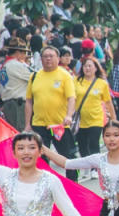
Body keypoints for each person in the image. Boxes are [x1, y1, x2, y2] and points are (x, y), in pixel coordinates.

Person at [24, 45, 79, 180]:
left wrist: (69, 116)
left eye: (51, 56)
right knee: (40, 158)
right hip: (39, 124)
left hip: (59, 126)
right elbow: (29, 101)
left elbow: (71, 98)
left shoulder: (65, 76)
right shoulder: (35, 76)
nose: (48, 59)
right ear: (41, 59)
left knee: (68, 158)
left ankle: (74, 185)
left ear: (58, 58)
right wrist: (27, 124)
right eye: (45, 56)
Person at [72, 58, 115, 172]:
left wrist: (114, 118)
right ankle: (88, 165)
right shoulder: (76, 81)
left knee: (93, 143)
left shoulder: (101, 83)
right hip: (80, 120)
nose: (87, 68)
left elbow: (108, 102)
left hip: (96, 118)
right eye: (85, 66)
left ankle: (95, 169)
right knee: (82, 145)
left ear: (96, 68)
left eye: (90, 66)